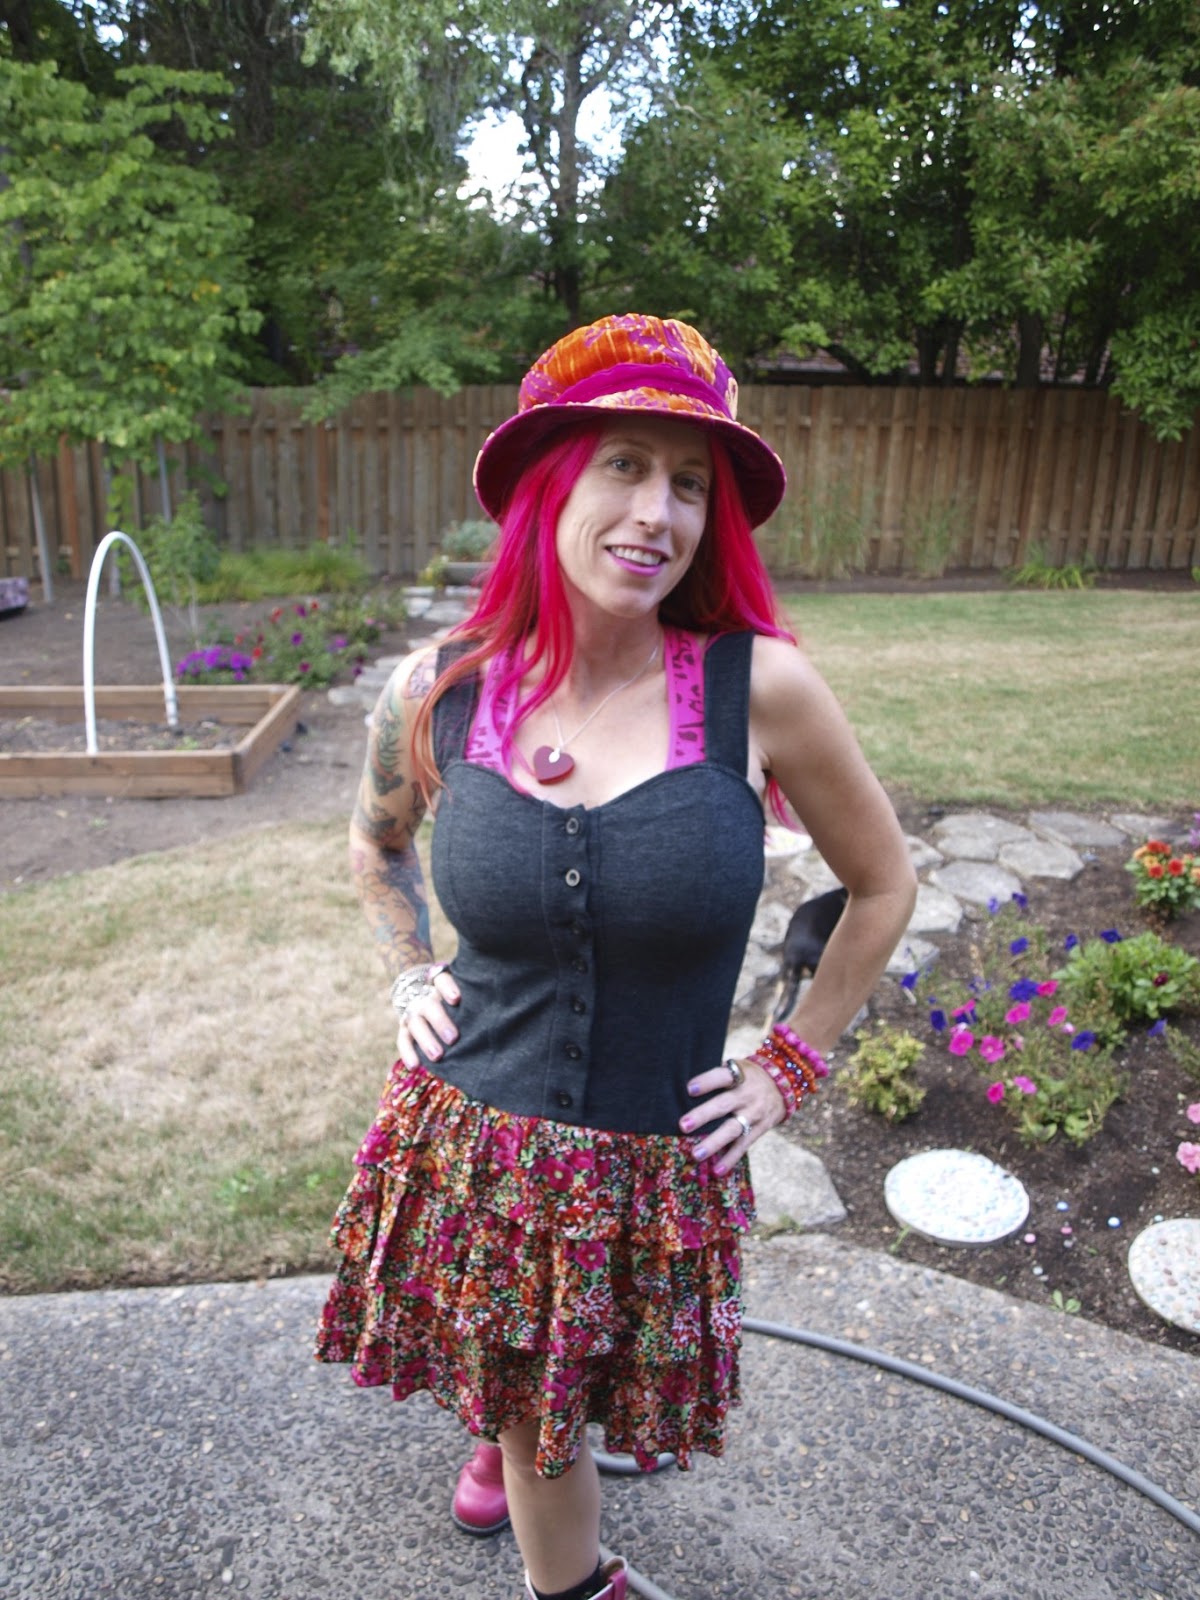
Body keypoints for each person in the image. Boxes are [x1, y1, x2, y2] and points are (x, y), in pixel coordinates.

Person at [315, 313, 918, 1600]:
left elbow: (883, 883)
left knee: (559, 1389)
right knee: (538, 1409)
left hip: (651, 1161)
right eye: (625, 466)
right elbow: (376, 845)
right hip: (474, 1142)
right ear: (552, 486)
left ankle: (513, 1444)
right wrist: (410, 972)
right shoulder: (439, 689)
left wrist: (791, 1063)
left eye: (690, 483)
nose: (658, 512)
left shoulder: (760, 691)